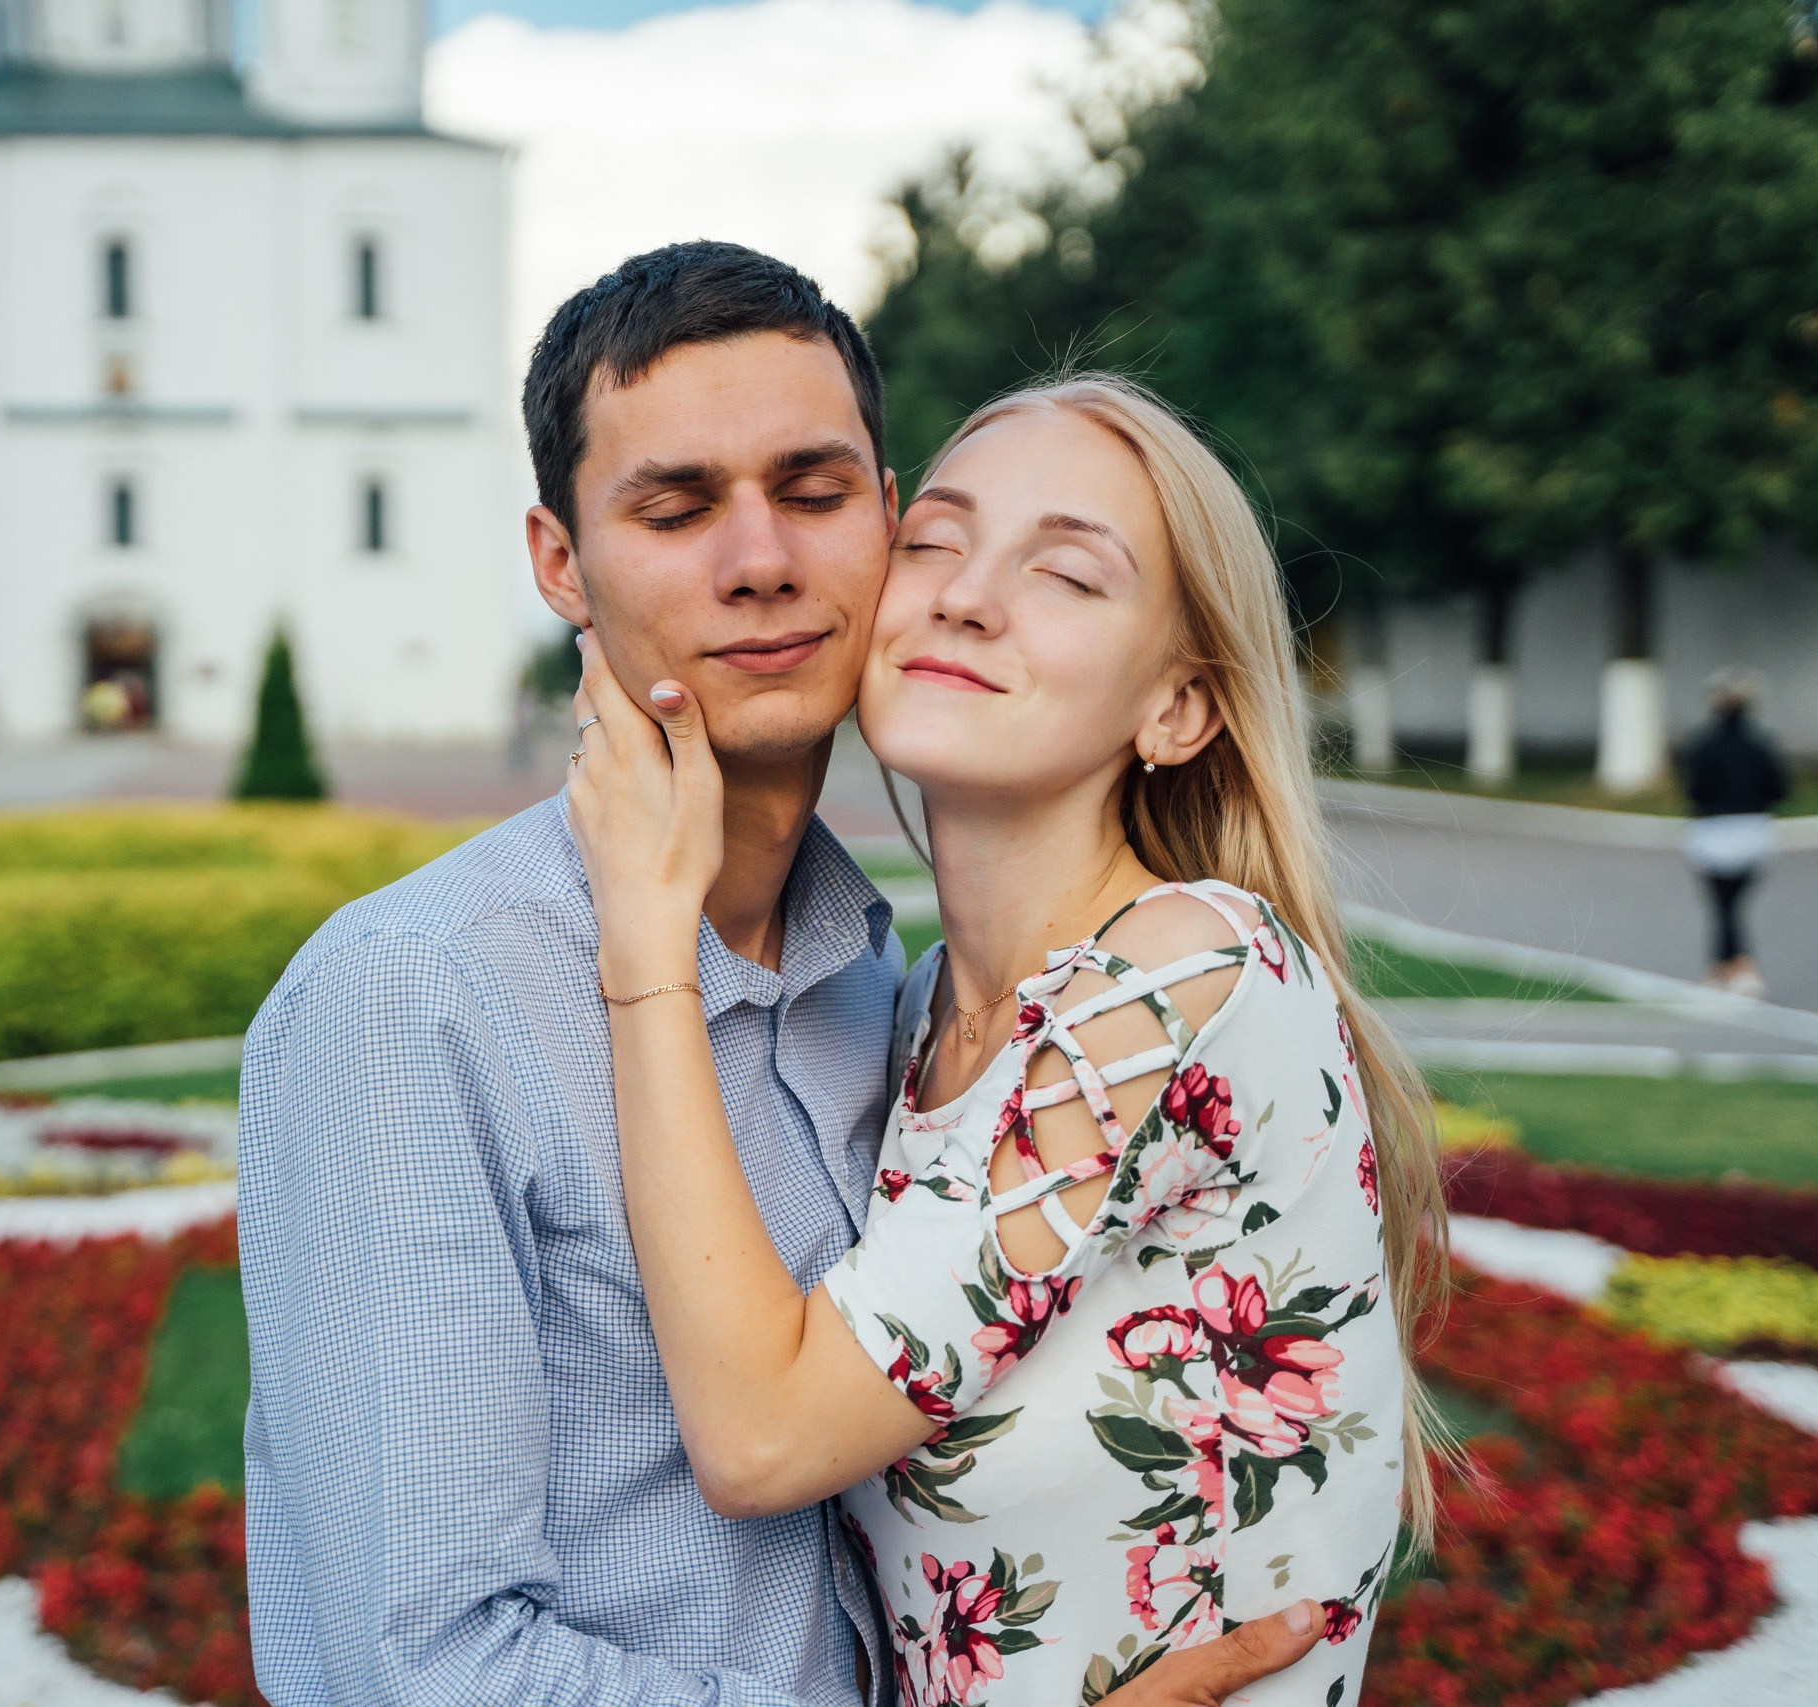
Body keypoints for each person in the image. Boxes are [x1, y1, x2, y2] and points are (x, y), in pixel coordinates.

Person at [238, 245, 1329, 1707]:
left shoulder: (887, 986)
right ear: (560, 561)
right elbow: (428, 1664)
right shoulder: (412, 1000)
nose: (760, 559)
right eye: (676, 507)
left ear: (884, 525)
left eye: (814, 493)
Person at [564, 372, 1447, 1705]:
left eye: (1069, 574)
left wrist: (647, 929)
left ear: (1179, 707)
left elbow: (757, 1435)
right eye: (934, 541)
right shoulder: (917, 1010)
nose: (967, 595)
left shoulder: (1186, 975)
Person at [1680, 669, 1790, 998]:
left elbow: (1695, 790)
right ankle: (1722, 966)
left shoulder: (1702, 745)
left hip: (1713, 833)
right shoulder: (1761, 744)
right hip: (1755, 832)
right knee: (1729, 904)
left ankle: (1739, 965)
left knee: (1724, 905)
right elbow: (1779, 789)